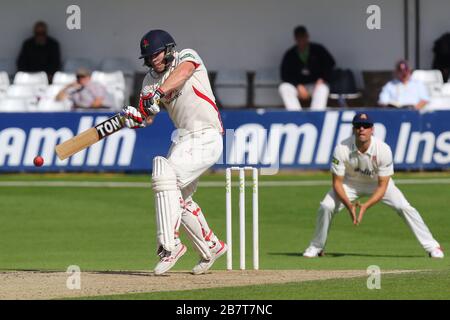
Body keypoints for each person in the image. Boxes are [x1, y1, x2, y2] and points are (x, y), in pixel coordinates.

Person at [121, 29, 227, 275]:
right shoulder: (149, 81)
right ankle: (211, 245)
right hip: (183, 139)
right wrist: (134, 117)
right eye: (149, 57)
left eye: (157, 54)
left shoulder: (187, 57)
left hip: (207, 135)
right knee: (179, 199)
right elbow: (146, 117)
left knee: (163, 174)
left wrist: (159, 93)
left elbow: (184, 73)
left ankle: (171, 245)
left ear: (168, 49)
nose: (153, 60)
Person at [303, 112, 444, 259]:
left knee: (404, 207)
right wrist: (349, 205)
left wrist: (365, 206)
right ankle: (317, 246)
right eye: (358, 126)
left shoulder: (383, 149)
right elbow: (337, 182)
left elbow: (383, 185)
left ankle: (432, 247)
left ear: (372, 129)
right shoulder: (341, 148)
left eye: (366, 126)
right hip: (350, 184)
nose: (362, 129)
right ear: (353, 129)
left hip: (377, 183)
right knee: (326, 207)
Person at [278, 25, 335, 111]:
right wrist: (298, 85)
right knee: (284, 87)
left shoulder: (318, 49)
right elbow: (284, 75)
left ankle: (316, 115)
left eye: (303, 37)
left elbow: (330, 64)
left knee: (323, 88)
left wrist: (322, 79)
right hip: (298, 87)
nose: (301, 40)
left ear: (307, 36)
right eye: (299, 37)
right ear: (295, 39)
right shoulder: (290, 54)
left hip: (314, 85)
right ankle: (296, 115)